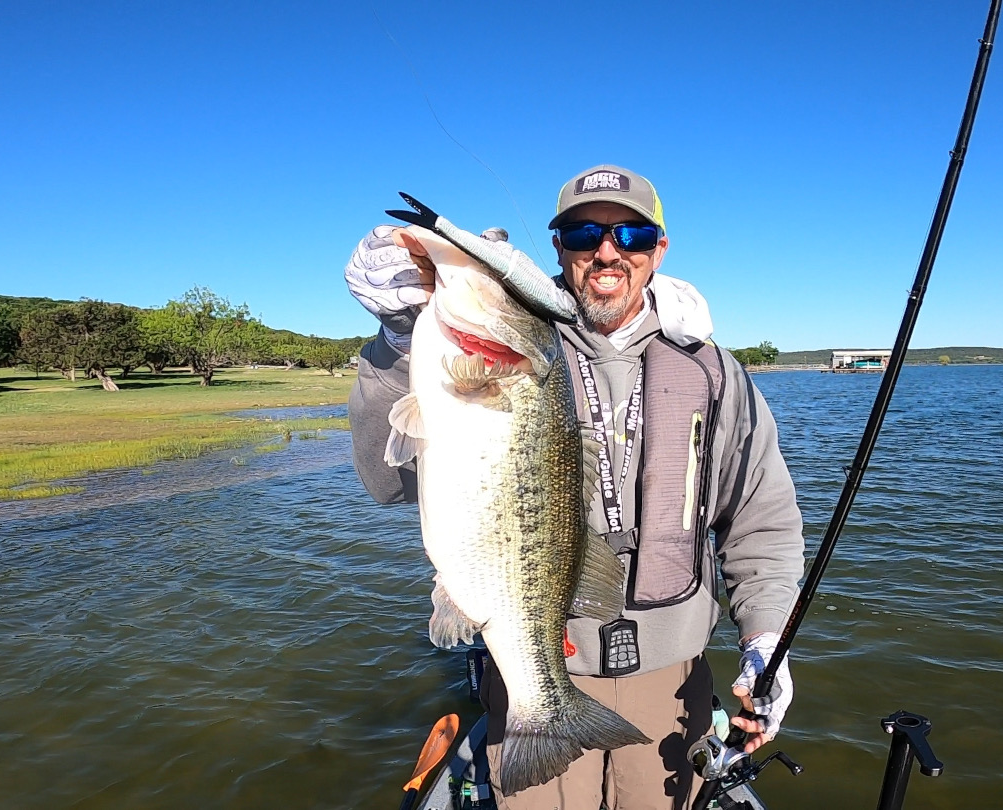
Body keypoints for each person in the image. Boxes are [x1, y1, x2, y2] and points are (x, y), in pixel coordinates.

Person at [345, 165, 805, 810]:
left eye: (633, 233)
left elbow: (760, 521)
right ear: (557, 246)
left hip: (673, 681)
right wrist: (396, 338)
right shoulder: (515, 342)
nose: (608, 251)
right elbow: (387, 480)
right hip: (532, 661)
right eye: (584, 232)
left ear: (659, 248)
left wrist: (765, 639)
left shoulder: (712, 369)